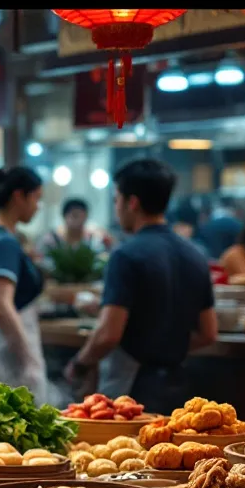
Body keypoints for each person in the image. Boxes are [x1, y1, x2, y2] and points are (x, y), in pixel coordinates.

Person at [65, 159, 218, 413]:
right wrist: (167, 343)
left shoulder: (126, 255)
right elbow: (209, 333)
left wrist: (79, 364)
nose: (117, 208)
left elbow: (108, 334)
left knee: (127, 453)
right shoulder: (195, 255)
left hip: (131, 393)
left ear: (132, 202)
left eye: (116, 200)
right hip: (177, 386)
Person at [0, 167, 48, 399]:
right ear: (18, 196)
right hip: (3, 356)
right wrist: (28, 362)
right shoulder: (4, 242)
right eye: (36, 198)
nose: (37, 206)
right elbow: (1, 306)